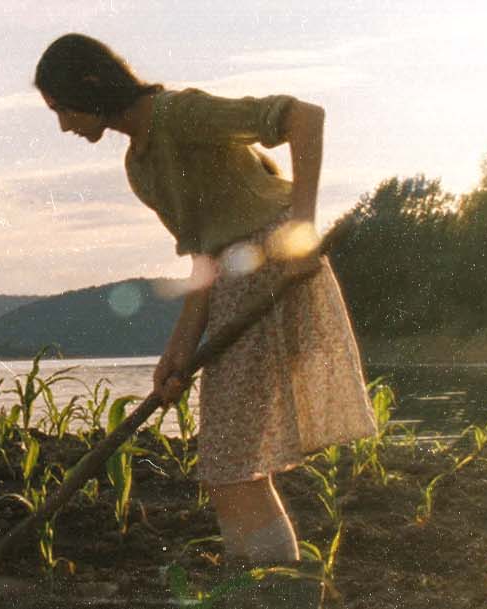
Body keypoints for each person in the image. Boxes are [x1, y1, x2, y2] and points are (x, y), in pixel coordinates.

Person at [34, 34, 377, 605]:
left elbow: (303, 117)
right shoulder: (140, 166)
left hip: (276, 273)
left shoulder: (179, 113)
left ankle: (278, 592)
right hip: (233, 291)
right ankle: (259, 588)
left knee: (231, 463)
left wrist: (302, 229)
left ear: (90, 86)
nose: (64, 125)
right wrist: (177, 354)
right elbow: (204, 261)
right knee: (227, 463)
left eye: (62, 108)